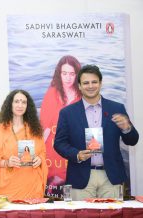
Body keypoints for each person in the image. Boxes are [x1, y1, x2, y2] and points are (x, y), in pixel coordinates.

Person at [54, 64, 139, 200]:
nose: (90, 86)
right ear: (79, 86)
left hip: (111, 177)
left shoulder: (116, 108)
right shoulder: (67, 113)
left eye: (94, 82)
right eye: (86, 83)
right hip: (80, 177)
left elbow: (133, 140)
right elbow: (59, 143)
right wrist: (77, 154)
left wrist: (127, 127)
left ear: (100, 83)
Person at [0, 90, 48, 200]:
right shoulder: (0, 130)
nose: (20, 105)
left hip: (31, 185)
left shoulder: (35, 130)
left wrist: (40, 159)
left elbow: (42, 153)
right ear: (10, 104)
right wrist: (7, 162)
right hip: (8, 187)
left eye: (23, 102)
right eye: (16, 101)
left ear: (28, 106)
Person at [40, 55, 82, 197]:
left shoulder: (82, 96)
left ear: (77, 75)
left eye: (71, 74)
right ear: (59, 74)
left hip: (74, 148)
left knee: (74, 196)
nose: (68, 78)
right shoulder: (51, 93)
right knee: (54, 194)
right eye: (64, 73)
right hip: (52, 151)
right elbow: (44, 127)